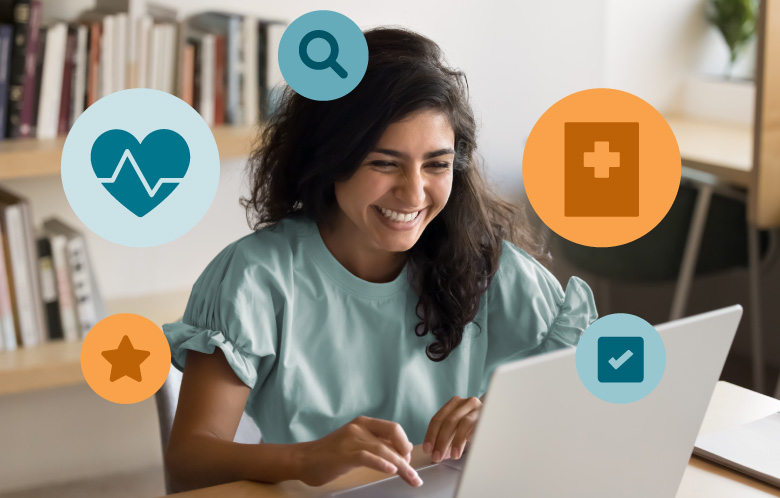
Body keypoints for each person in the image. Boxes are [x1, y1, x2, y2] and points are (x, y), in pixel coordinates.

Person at [162, 26, 597, 492]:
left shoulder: (493, 269)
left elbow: (597, 399)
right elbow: (190, 459)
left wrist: (506, 413)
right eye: (384, 163)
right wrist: (305, 458)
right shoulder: (254, 278)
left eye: (437, 164)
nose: (414, 194)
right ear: (331, 158)